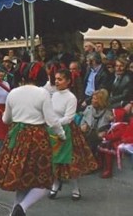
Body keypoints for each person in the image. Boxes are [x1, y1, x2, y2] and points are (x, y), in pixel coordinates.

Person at [0, 62, 66, 216]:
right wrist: (62, 135)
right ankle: (22, 208)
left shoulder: (13, 93)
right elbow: (51, 121)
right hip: (37, 138)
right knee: (44, 180)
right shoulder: (43, 93)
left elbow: (6, 119)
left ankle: (15, 211)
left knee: (21, 181)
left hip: (17, 137)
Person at [48, 69, 98, 201]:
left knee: (70, 161)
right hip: (54, 130)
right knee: (54, 159)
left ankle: (76, 188)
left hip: (67, 131)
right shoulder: (54, 95)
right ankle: (55, 184)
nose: (57, 82)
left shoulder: (71, 97)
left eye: (60, 79)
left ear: (68, 81)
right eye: (56, 79)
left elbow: (69, 118)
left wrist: (54, 122)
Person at [80, 89, 113, 156]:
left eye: (95, 99)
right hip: (87, 136)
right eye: (92, 98)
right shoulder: (88, 109)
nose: (92, 100)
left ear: (101, 101)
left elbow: (109, 129)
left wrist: (104, 133)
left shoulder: (108, 113)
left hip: (99, 140)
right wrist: (83, 126)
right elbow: (82, 123)